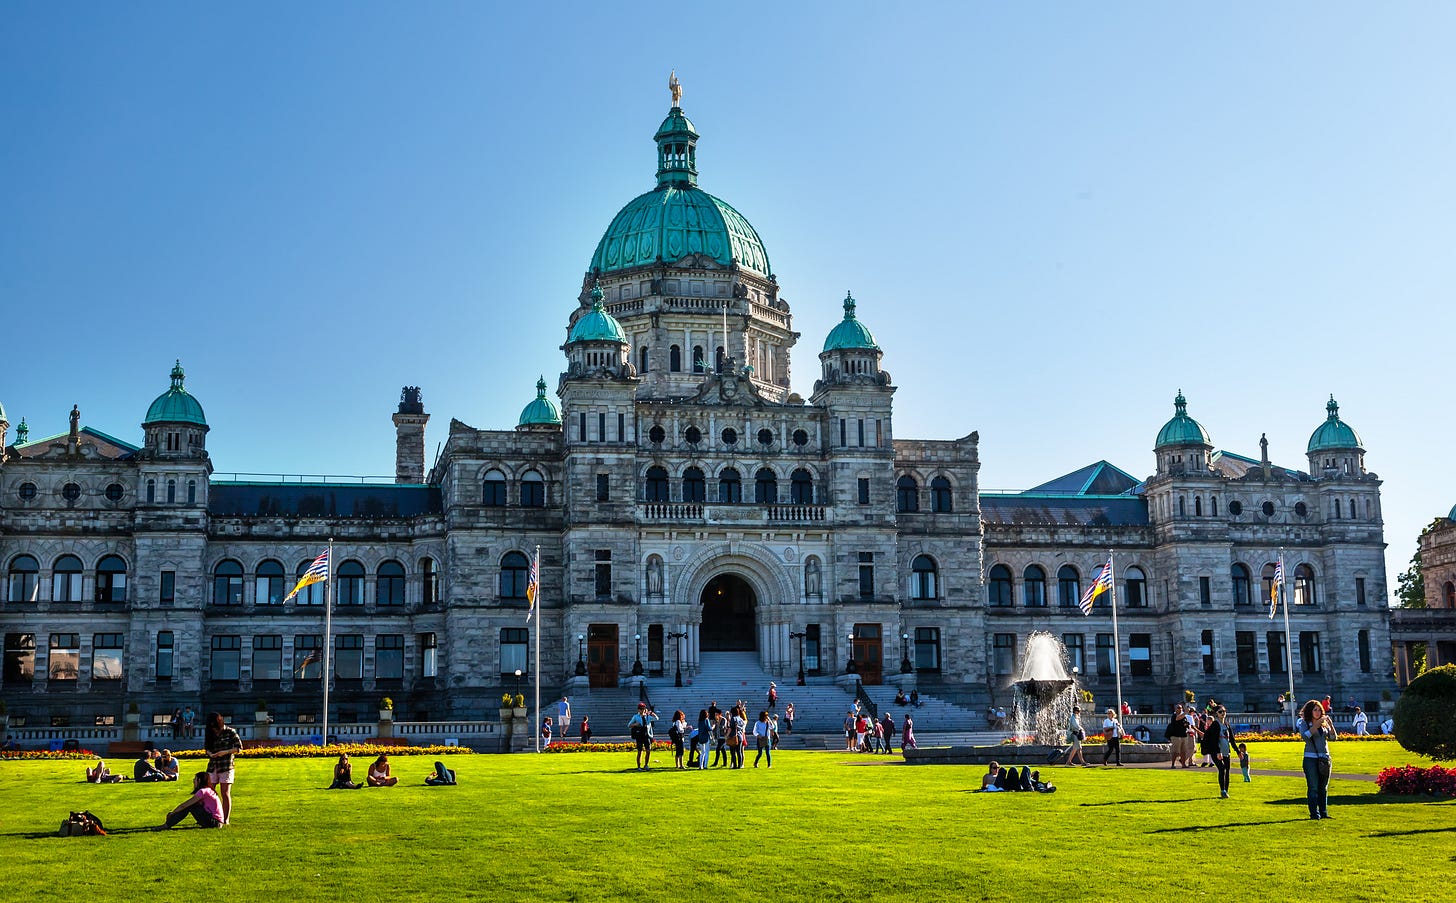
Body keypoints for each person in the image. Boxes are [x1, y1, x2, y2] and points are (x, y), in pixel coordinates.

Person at [1298, 699, 1337, 820]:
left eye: (1319, 710)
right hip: (1311, 759)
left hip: (1324, 757)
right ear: (1310, 711)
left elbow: (1333, 738)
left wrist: (1330, 725)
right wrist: (1316, 724)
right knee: (1313, 787)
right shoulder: (1305, 723)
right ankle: (1314, 814)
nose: (1318, 712)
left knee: (1323, 788)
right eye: (1315, 710)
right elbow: (1306, 736)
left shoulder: (1323, 724)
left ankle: (1324, 812)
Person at [203, 712, 242, 825]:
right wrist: (210, 754)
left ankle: (225, 819)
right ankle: (211, 816)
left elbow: (238, 748)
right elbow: (207, 748)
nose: (214, 730)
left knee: (225, 793)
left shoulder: (230, 732)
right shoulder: (210, 733)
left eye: (215, 727)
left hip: (226, 765)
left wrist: (224, 752)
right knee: (210, 793)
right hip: (213, 766)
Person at [157, 772, 223, 830]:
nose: (193, 781)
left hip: (215, 823)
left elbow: (185, 805)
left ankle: (167, 825)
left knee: (191, 806)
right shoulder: (209, 790)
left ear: (199, 780)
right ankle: (168, 824)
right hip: (217, 822)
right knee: (192, 806)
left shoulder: (203, 791)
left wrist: (173, 813)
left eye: (195, 779)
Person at [1206, 706, 1236, 799]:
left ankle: (1226, 791)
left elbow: (1231, 739)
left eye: (1224, 711)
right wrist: (1218, 752)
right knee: (1222, 769)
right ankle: (1222, 790)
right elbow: (1214, 740)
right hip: (1216, 752)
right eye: (1220, 712)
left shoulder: (1226, 724)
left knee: (1227, 771)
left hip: (1226, 751)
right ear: (1216, 714)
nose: (1223, 713)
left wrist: (1238, 751)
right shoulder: (1215, 724)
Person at [628, 702, 658, 771]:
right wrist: (635, 724)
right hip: (639, 736)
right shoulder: (636, 717)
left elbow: (656, 719)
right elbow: (629, 725)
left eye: (643, 709)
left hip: (646, 735)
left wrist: (653, 714)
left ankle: (646, 765)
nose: (642, 710)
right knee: (640, 751)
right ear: (638, 710)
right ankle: (639, 766)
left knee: (648, 750)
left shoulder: (647, 716)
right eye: (641, 709)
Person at [729, 705, 748, 769]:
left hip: (733, 736)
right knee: (739, 751)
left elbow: (731, 728)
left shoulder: (733, 718)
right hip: (740, 736)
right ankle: (740, 765)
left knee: (732, 752)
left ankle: (735, 765)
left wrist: (727, 735)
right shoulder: (740, 718)